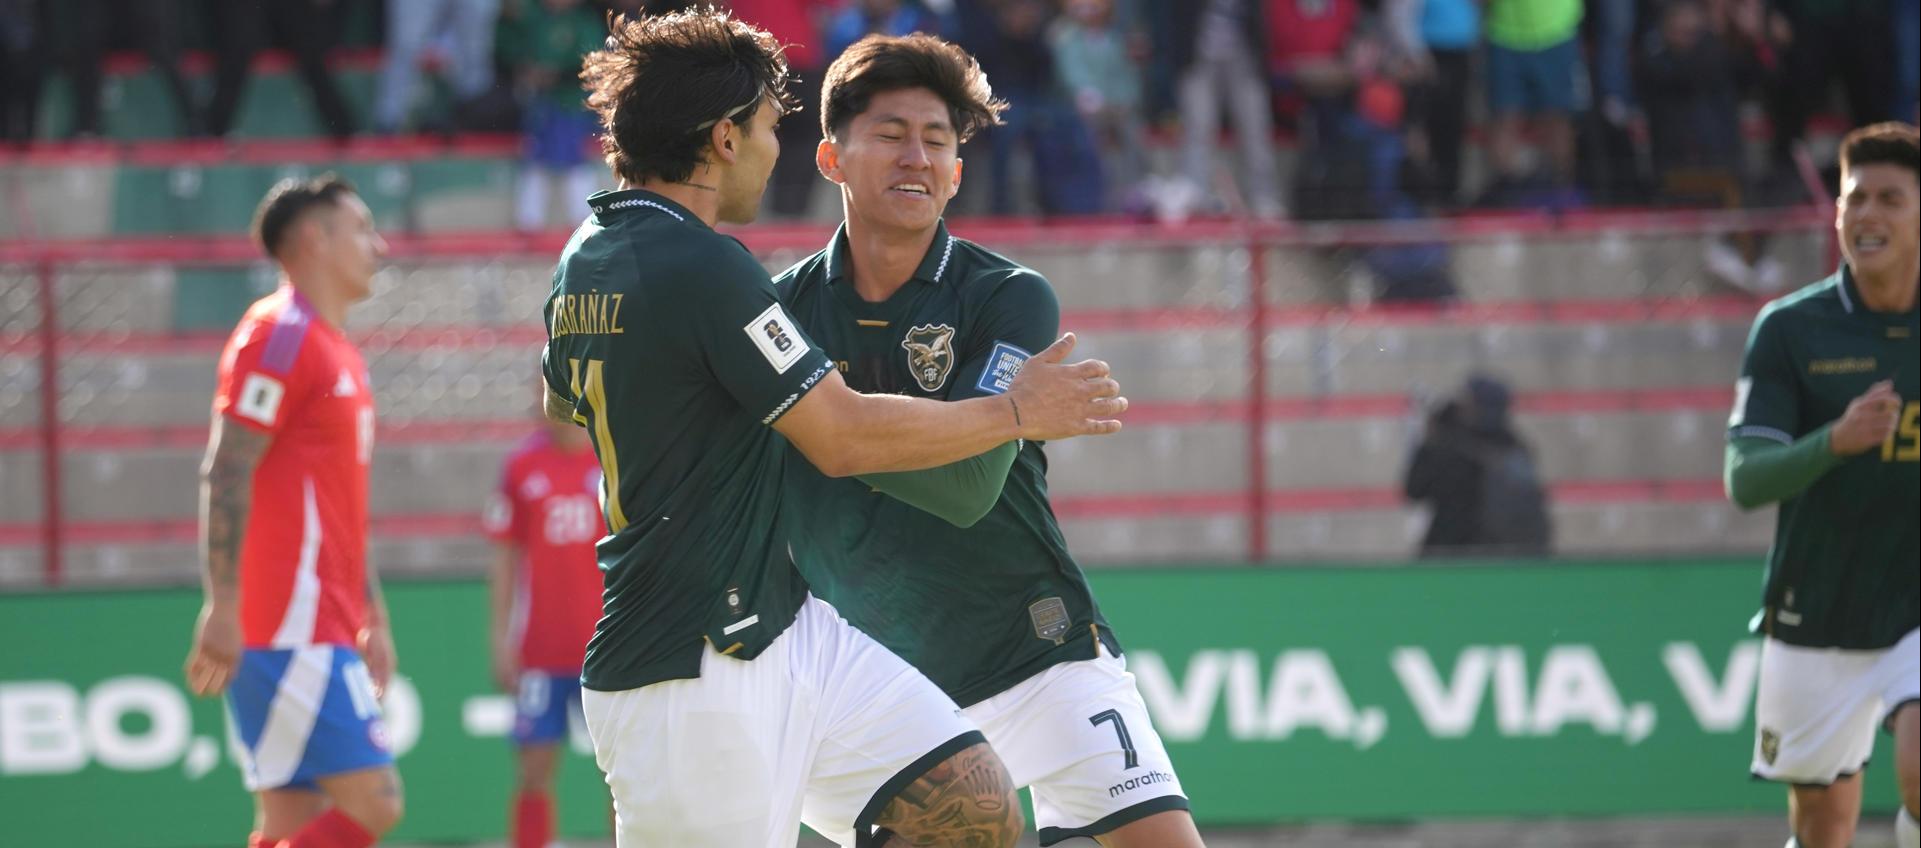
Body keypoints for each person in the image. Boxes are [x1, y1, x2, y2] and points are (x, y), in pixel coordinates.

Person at [546, 10, 1128, 846]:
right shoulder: (707, 268)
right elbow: (843, 436)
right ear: (721, 139)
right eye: (765, 129)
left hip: (783, 629)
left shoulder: (587, 253)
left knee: (973, 806)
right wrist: (1014, 413)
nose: (773, 149)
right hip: (692, 658)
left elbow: (562, 408)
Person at [775, 33, 1203, 847]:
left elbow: (970, 488)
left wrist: (824, 427)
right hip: (881, 692)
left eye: (937, 141)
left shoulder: (1006, 296)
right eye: (892, 133)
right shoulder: (776, 314)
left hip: (1037, 651)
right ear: (831, 158)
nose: (918, 157)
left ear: (958, 172)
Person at [183, 175, 401, 848]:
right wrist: (223, 604)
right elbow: (227, 467)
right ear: (314, 238)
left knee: (289, 822)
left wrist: (373, 618)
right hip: (285, 625)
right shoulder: (279, 335)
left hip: (324, 624)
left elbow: (341, 507)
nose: (380, 245)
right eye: (363, 228)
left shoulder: (338, 350)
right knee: (377, 802)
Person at [1724, 122, 1921, 848]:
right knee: (1821, 831)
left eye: (1889, 198)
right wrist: (1833, 443)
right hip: (1819, 607)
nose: (1866, 214)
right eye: (1853, 198)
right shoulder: (1788, 331)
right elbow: (1744, 480)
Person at [483, 417, 606, 848]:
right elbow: (504, 557)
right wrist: (500, 637)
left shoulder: (609, 456)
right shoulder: (521, 465)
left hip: (604, 648)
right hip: (539, 650)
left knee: (616, 774)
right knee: (533, 769)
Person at [1403, 375, 1551, 557]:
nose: (1460, 407)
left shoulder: (1455, 450)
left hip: (1454, 554)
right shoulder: (1514, 448)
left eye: (1467, 402)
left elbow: (1414, 489)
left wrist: (1431, 440)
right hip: (1504, 556)